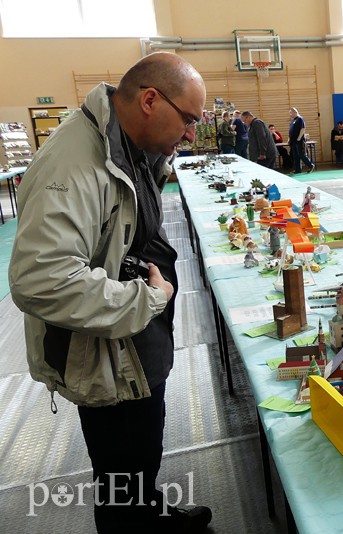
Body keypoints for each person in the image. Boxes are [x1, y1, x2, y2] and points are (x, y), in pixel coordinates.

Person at [8, 52, 212, 533]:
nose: (191, 135)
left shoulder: (129, 147)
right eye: (188, 121)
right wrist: (147, 301)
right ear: (149, 100)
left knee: (142, 454)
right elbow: (42, 279)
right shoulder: (74, 162)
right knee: (121, 470)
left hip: (132, 344)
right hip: (106, 350)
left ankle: (152, 512)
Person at [289, 107, 315, 174]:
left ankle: (310, 165)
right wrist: (289, 139)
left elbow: (303, 129)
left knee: (301, 154)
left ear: (295, 112)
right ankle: (298, 170)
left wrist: (299, 138)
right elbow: (291, 131)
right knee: (295, 155)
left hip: (299, 141)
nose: (290, 114)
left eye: (291, 113)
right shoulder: (293, 120)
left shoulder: (300, 119)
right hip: (293, 141)